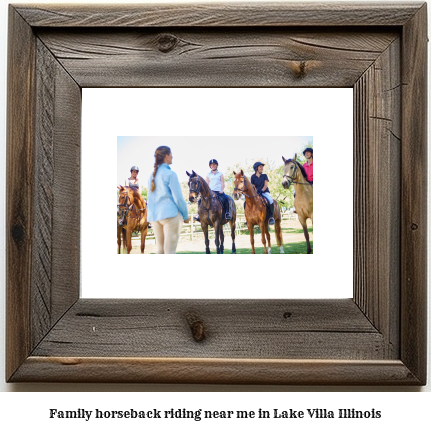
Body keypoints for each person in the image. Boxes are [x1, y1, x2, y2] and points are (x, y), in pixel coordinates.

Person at [147, 146, 189, 254]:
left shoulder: (151, 176)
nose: (172, 156)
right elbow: (179, 198)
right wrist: (185, 216)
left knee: (160, 251)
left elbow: (150, 199)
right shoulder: (171, 174)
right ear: (166, 156)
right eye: (171, 154)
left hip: (155, 217)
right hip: (170, 215)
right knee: (169, 252)